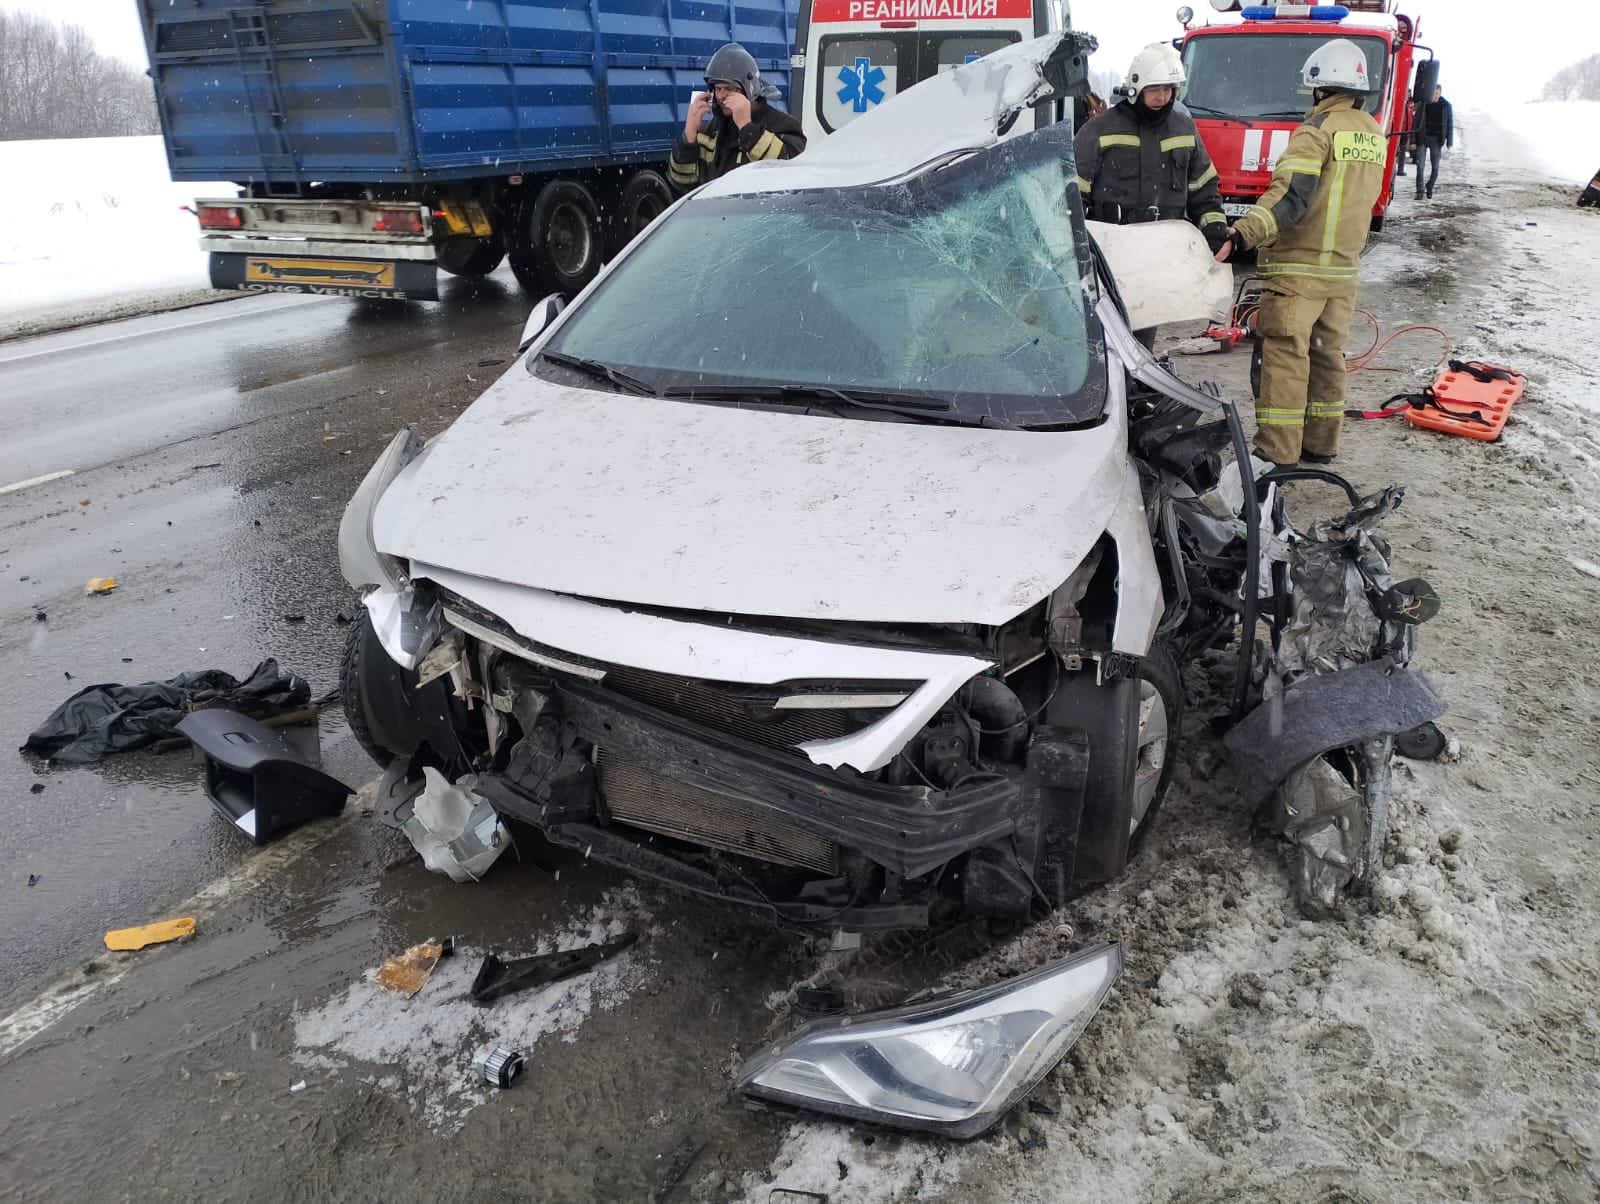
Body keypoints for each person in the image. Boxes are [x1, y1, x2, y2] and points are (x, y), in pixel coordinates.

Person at [1213, 39, 1387, 467]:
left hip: (1299, 269)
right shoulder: (1372, 133)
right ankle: (1321, 443)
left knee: (1286, 357)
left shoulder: (1316, 132)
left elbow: (1289, 197)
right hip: (1342, 271)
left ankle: (1278, 451)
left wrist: (1241, 233)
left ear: (1320, 87)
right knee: (1327, 356)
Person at [1072, 44, 1229, 251]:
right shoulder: (1099, 130)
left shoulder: (1184, 129)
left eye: (1167, 89)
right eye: (1154, 89)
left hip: (1170, 249)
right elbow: (1072, 193)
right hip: (1112, 247)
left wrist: (1215, 231)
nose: (1161, 97)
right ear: (1136, 88)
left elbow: (1204, 190)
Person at [669, 43, 805, 196]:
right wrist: (689, 137)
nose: (721, 96)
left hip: (763, 211)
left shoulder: (783, 126)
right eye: (718, 88)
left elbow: (790, 175)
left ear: (749, 90)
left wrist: (747, 129)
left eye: (729, 88)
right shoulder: (709, 132)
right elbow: (682, 184)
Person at [1414, 83, 1453, 200]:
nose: (1435, 95)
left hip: (1436, 140)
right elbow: (1416, 121)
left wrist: (1449, 141)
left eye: (1437, 93)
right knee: (1420, 165)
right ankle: (1420, 191)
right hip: (1423, 137)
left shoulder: (1446, 106)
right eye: (1434, 93)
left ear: (1440, 93)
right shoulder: (1424, 103)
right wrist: (1413, 140)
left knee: (1435, 167)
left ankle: (1430, 185)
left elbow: (1449, 124)